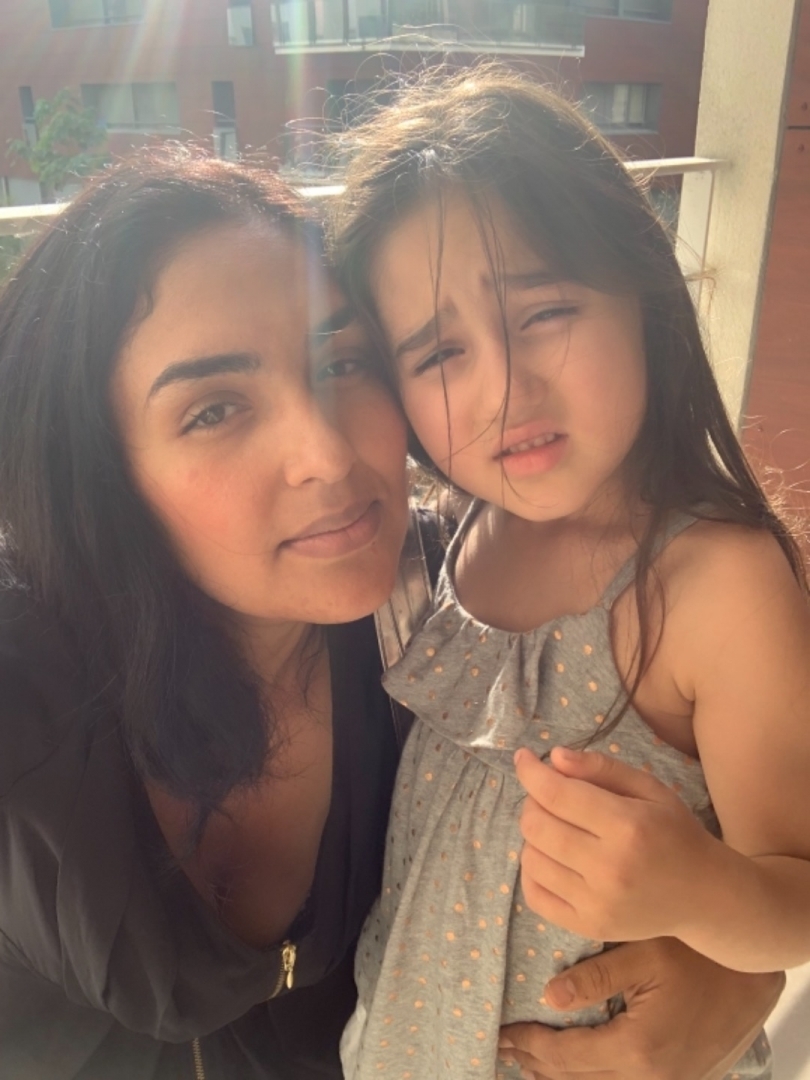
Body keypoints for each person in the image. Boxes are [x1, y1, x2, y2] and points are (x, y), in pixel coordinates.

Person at [0, 151, 784, 1080]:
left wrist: (738, 975)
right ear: (97, 475)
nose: (328, 455)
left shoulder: (444, 601)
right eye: (214, 410)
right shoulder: (26, 696)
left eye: (343, 363)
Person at [332, 67, 810, 1080]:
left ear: (641, 293)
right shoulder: (460, 537)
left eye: (545, 311)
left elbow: (801, 898)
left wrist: (700, 888)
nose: (505, 387)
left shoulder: (715, 585)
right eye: (439, 354)